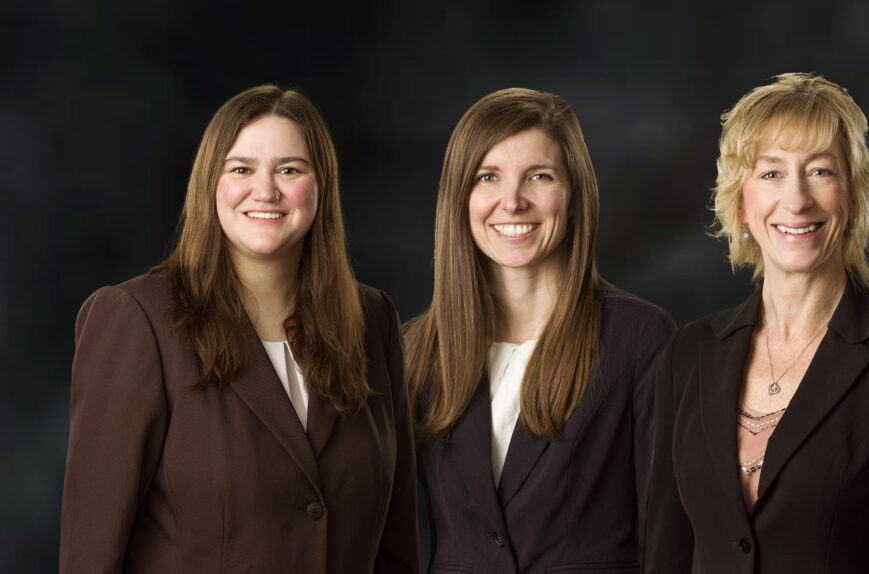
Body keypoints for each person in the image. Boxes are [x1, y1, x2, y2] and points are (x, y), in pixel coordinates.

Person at [60, 85, 419, 573]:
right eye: (241, 169)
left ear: (322, 186)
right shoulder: (136, 319)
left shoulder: (373, 320)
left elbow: (396, 548)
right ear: (211, 184)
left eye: (289, 169)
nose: (265, 191)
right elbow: (90, 556)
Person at [644, 73, 869, 573]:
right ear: (741, 201)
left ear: (853, 196)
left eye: (820, 171)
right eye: (771, 173)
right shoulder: (689, 352)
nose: (796, 200)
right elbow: (665, 554)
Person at [405, 87, 675, 573]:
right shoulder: (415, 351)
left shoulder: (638, 338)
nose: (512, 201)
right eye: (488, 177)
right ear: (459, 197)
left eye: (539, 176)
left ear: (574, 194)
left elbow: (668, 538)